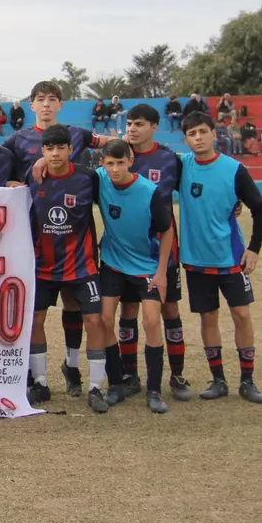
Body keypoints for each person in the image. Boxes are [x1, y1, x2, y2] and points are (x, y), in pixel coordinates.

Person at [0, 80, 107, 395]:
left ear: (60, 105)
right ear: (31, 105)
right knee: (34, 313)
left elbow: (108, 144)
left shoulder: (76, 135)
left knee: (74, 306)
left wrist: (127, 141)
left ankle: (73, 367)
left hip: (72, 233)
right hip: (33, 234)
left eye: (53, 99)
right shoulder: (16, 140)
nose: (47, 104)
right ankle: (35, 379)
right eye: (41, 99)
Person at [26, 125, 125, 413]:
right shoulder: (32, 177)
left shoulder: (89, 178)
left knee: (95, 322)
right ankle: (41, 383)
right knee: (35, 320)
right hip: (42, 266)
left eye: (61, 148)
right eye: (49, 149)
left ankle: (95, 387)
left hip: (82, 265)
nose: (55, 153)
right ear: (42, 151)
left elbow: (119, 187)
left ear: (72, 150)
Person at [178, 112, 262, 404]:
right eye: (192, 133)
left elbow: (260, 207)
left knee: (241, 314)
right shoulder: (181, 165)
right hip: (195, 259)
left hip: (230, 257)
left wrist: (253, 248)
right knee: (208, 317)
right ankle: (218, 380)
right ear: (186, 139)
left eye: (203, 131)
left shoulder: (234, 169)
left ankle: (248, 380)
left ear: (214, 134)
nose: (198, 137)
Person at [116, 105, 192, 401]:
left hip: (162, 250)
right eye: (129, 123)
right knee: (128, 311)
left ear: (154, 127)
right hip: (126, 251)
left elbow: (194, 190)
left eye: (139, 124)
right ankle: (130, 375)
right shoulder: (120, 153)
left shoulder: (171, 160)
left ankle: (177, 375)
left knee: (169, 310)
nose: (132, 128)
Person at [96, 140, 175, 413]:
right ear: (102, 164)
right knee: (104, 319)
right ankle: (117, 384)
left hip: (146, 265)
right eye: (109, 164)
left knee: (152, 321)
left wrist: (162, 272)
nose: (115, 169)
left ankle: (154, 390)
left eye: (120, 163)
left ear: (131, 160)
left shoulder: (150, 191)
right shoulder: (99, 180)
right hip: (113, 262)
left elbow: (167, 231)